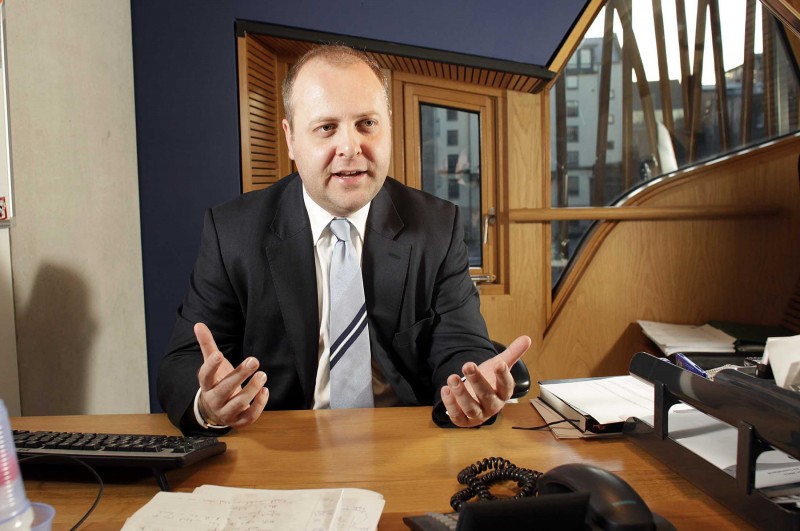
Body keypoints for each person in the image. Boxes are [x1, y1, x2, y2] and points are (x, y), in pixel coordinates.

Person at [157, 44, 531, 434]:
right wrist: (209, 404)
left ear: (388, 127)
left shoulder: (436, 226)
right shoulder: (233, 232)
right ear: (290, 139)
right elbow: (183, 362)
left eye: (367, 124)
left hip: (405, 439)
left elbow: (462, 346)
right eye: (326, 128)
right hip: (281, 442)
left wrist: (471, 392)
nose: (350, 148)